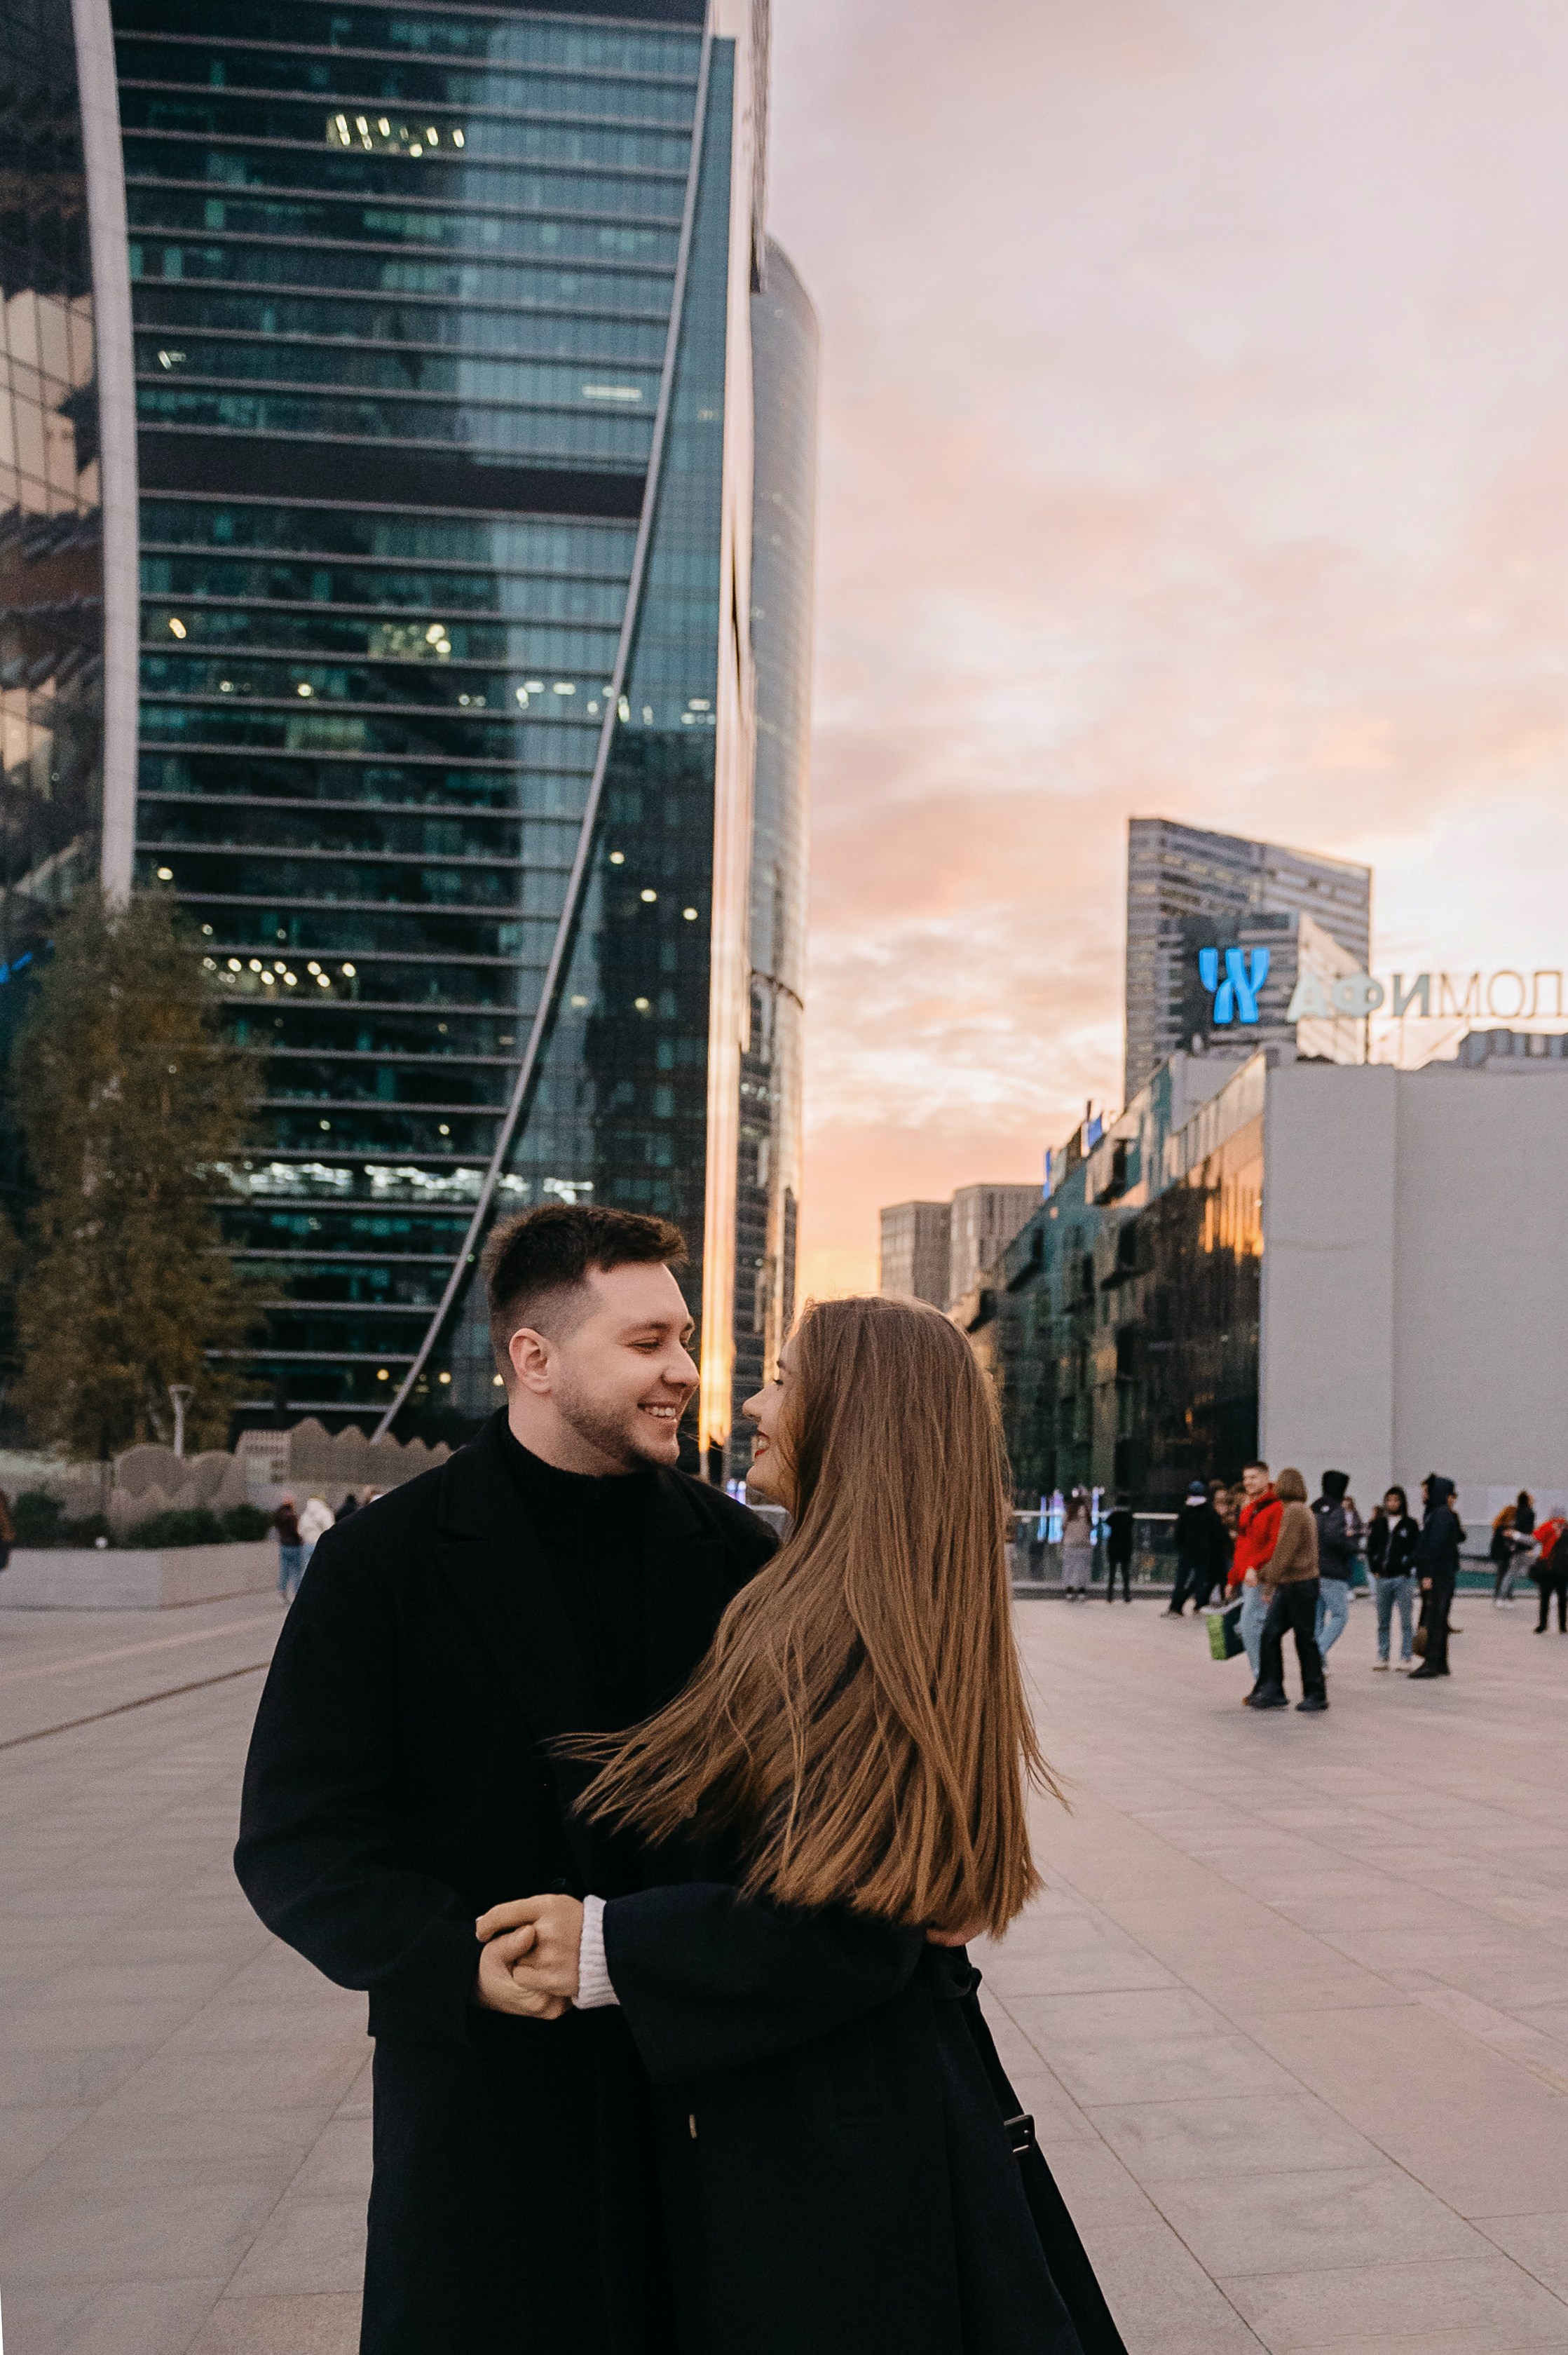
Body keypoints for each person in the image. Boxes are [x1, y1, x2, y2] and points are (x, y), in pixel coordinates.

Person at [482, 1295, 1129, 2355]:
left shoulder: (837, 1622)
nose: (752, 1399)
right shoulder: (873, 1599)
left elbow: (851, 1924)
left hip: (838, 2138)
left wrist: (600, 1945)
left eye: (783, 1376)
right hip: (868, 2111)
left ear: (858, 1416)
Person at [234, 1206, 779, 2355]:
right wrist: (452, 1957)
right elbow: (296, 1839)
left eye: (684, 1338)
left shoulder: (743, 1565)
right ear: (532, 1357)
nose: (685, 1370)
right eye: (646, 1343)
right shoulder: (384, 1560)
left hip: (705, 2113)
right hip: (484, 2127)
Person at [1246, 1467, 1325, 1711]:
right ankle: (1272, 1688)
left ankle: (1315, 1693)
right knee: (1272, 1634)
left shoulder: (1294, 1512)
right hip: (1295, 1584)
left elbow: (1283, 1552)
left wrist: (1265, 1582)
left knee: (1302, 1638)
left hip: (1298, 1584)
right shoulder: (1302, 1510)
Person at [1231, 1460, 1283, 1682]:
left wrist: (1256, 1567)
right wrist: (1233, 1577)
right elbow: (1243, 1545)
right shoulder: (1250, 1507)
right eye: (1245, 1478)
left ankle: (1263, 1678)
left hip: (1260, 1578)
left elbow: (1274, 1545)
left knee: (1251, 1626)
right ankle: (1263, 1677)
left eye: (1253, 1477)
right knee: (1249, 1627)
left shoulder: (1275, 1507)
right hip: (1248, 1577)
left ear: (1266, 1477)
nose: (1248, 1482)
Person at [1410, 1473, 1463, 1679]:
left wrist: (1428, 1573)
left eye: (1427, 1491)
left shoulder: (1440, 1515)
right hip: (1442, 1574)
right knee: (1438, 1619)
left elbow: (1436, 1547)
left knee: (1434, 1618)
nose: (1424, 1495)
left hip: (1439, 1576)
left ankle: (1432, 1662)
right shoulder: (1438, 1513)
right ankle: (1440, 1662)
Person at [1366, 1486, 1419, 1669]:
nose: (1392, 1503)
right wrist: (1374, 1566)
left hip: (1402, 1578)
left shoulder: (1410, 1525)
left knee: (1406, 1620)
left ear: (1402, 1502)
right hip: (1383, 1578)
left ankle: (1406, 1656)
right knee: (1383, 1620)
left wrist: (1408, 1566)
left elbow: (1416, 1549)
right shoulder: (1379, 1524)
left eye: (1396, 1500)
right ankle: (1383, 1655)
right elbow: (1371, 1547)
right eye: (1389, 1500)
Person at [1165, 1479, 1228, 1616]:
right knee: (1201, 1580)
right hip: (1204, 1552)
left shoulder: (1185, 1511)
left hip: (1186, 1552)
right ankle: (1199, 1605)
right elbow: (1217, 1533)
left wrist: (1180, 1548)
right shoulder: (1210, 1512)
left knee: (1181, 1580)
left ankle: (1175, 1607)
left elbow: (1178, 1533)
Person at [1311, 1470, 1356, 1662]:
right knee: (1340, 1616)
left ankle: (1320, 1665)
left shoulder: (1314, 1507)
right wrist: (1351, 1545)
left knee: (1318, 1617)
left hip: (1313, 1569)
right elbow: (1333, 1537)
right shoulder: (1337, 1510)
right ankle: (1318, 1653)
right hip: (1332, 1570)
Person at [1532, 1511, 1568, 1634]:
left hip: (1547, 1567)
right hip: (1563, 1569)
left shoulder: (1547, 1526)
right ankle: (1563, 1626)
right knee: (1562, 1597)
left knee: (1544, 1597)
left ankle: (1543, 1625)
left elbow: (1535, 1538)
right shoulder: (1567, 1527)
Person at [1060, 1488, 1093, 1599]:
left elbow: (1063, 1527)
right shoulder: (1087, 1514)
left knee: (1069, 1568)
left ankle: (1069, 1591)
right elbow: (1090, 1528)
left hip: (1070, 1544)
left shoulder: (1069, 1513)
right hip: (1084, 1545)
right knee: (1083, 1569)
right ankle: (1082, 1591)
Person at [271, 1493, 303, 1601]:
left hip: (283, 1544)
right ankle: (297, 1593)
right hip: (294, 1545)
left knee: (284, 1570)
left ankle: (282, 1591)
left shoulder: (279, 1514)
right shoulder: (292, 1516)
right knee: (297, 1570)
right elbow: (296, 1531)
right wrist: (300, 1539)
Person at [1104, 1493, 1134, 1602]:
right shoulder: (1129, 1516)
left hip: (1114, 1545)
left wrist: (1114, 1511)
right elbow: (1131, 1524)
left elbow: (1107, 1522)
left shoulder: (1114, 1516)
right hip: (1125, 1546)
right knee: (1125, 1571)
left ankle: (1110, 1595)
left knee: (1112, 1571)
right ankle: (1126, 1595)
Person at [296, 1491, 334, 1574]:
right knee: (321, 1570)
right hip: (321, 1544)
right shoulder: (326, 1512)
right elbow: (330, 1529)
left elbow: (300, 1531)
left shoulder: (305, 1514)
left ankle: (307, 1587)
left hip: (307, 1544)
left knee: (306, 1571)